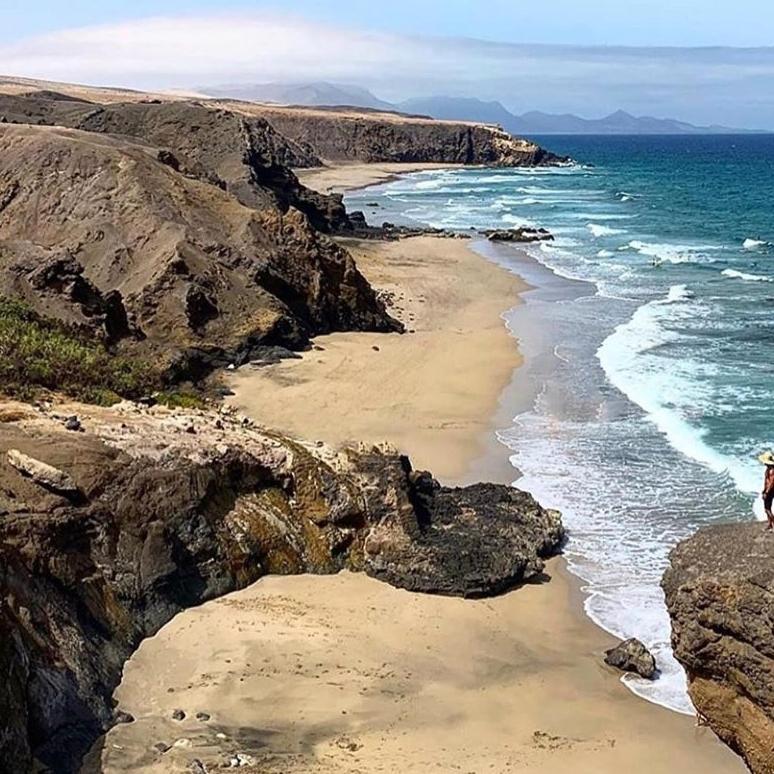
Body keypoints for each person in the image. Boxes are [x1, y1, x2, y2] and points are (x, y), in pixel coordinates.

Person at [758, 451, 774, 530]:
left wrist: (766, 492)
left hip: (770, 491)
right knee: (767, 508)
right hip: (768, 490)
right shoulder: (769, 469)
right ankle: (770, 524)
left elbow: (771, 482)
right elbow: (766, 481)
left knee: (767, 509)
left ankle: (772, 524)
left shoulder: (771, 470)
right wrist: (764, 490)